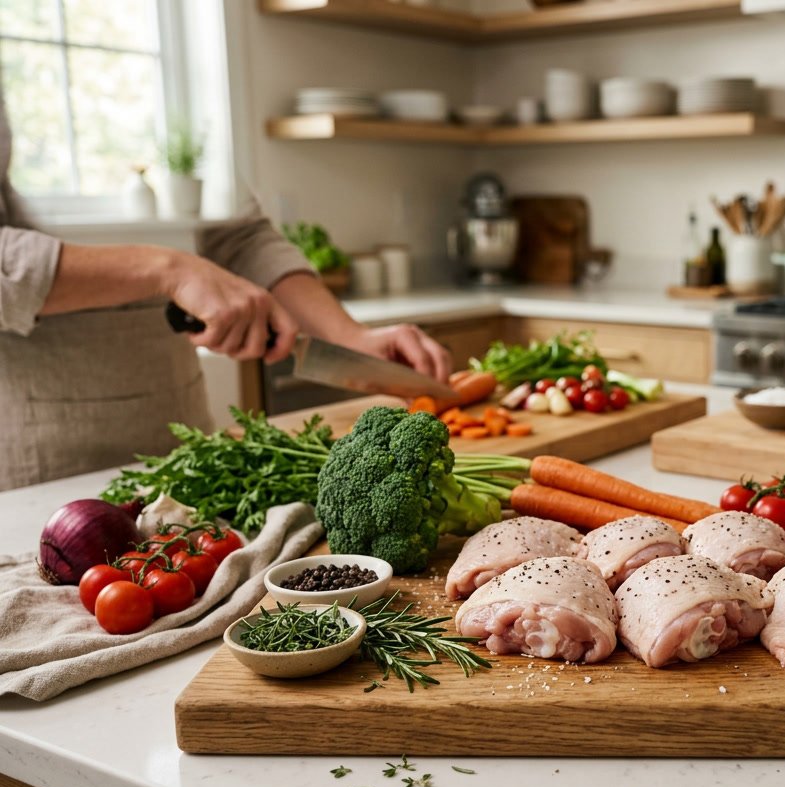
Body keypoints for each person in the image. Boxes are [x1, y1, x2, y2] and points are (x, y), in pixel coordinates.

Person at [0, 96, 450, 492]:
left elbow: (240, 235)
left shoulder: (181, 89)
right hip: (42, 467)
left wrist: (349, 338)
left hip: (184, 451)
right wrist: (169, 268)